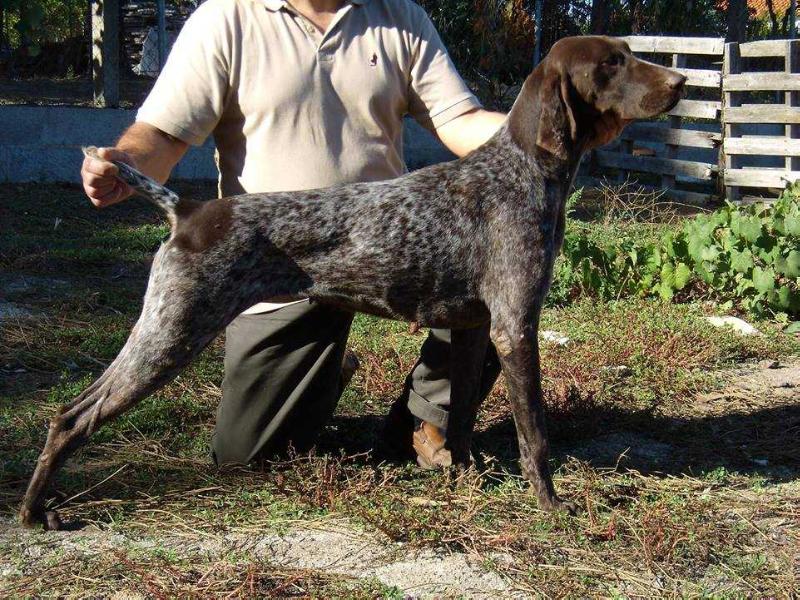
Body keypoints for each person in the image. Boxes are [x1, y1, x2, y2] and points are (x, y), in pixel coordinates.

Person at [81, 0, 505, 468]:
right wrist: (128, 162)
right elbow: (162, 136)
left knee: (496, 289)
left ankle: (426, 420)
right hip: (276, 265)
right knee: (245, 461)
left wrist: (544, 127)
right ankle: (322, 373)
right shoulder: (225, 18)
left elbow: (460, 123)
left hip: (386, 256)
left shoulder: (401, 16)